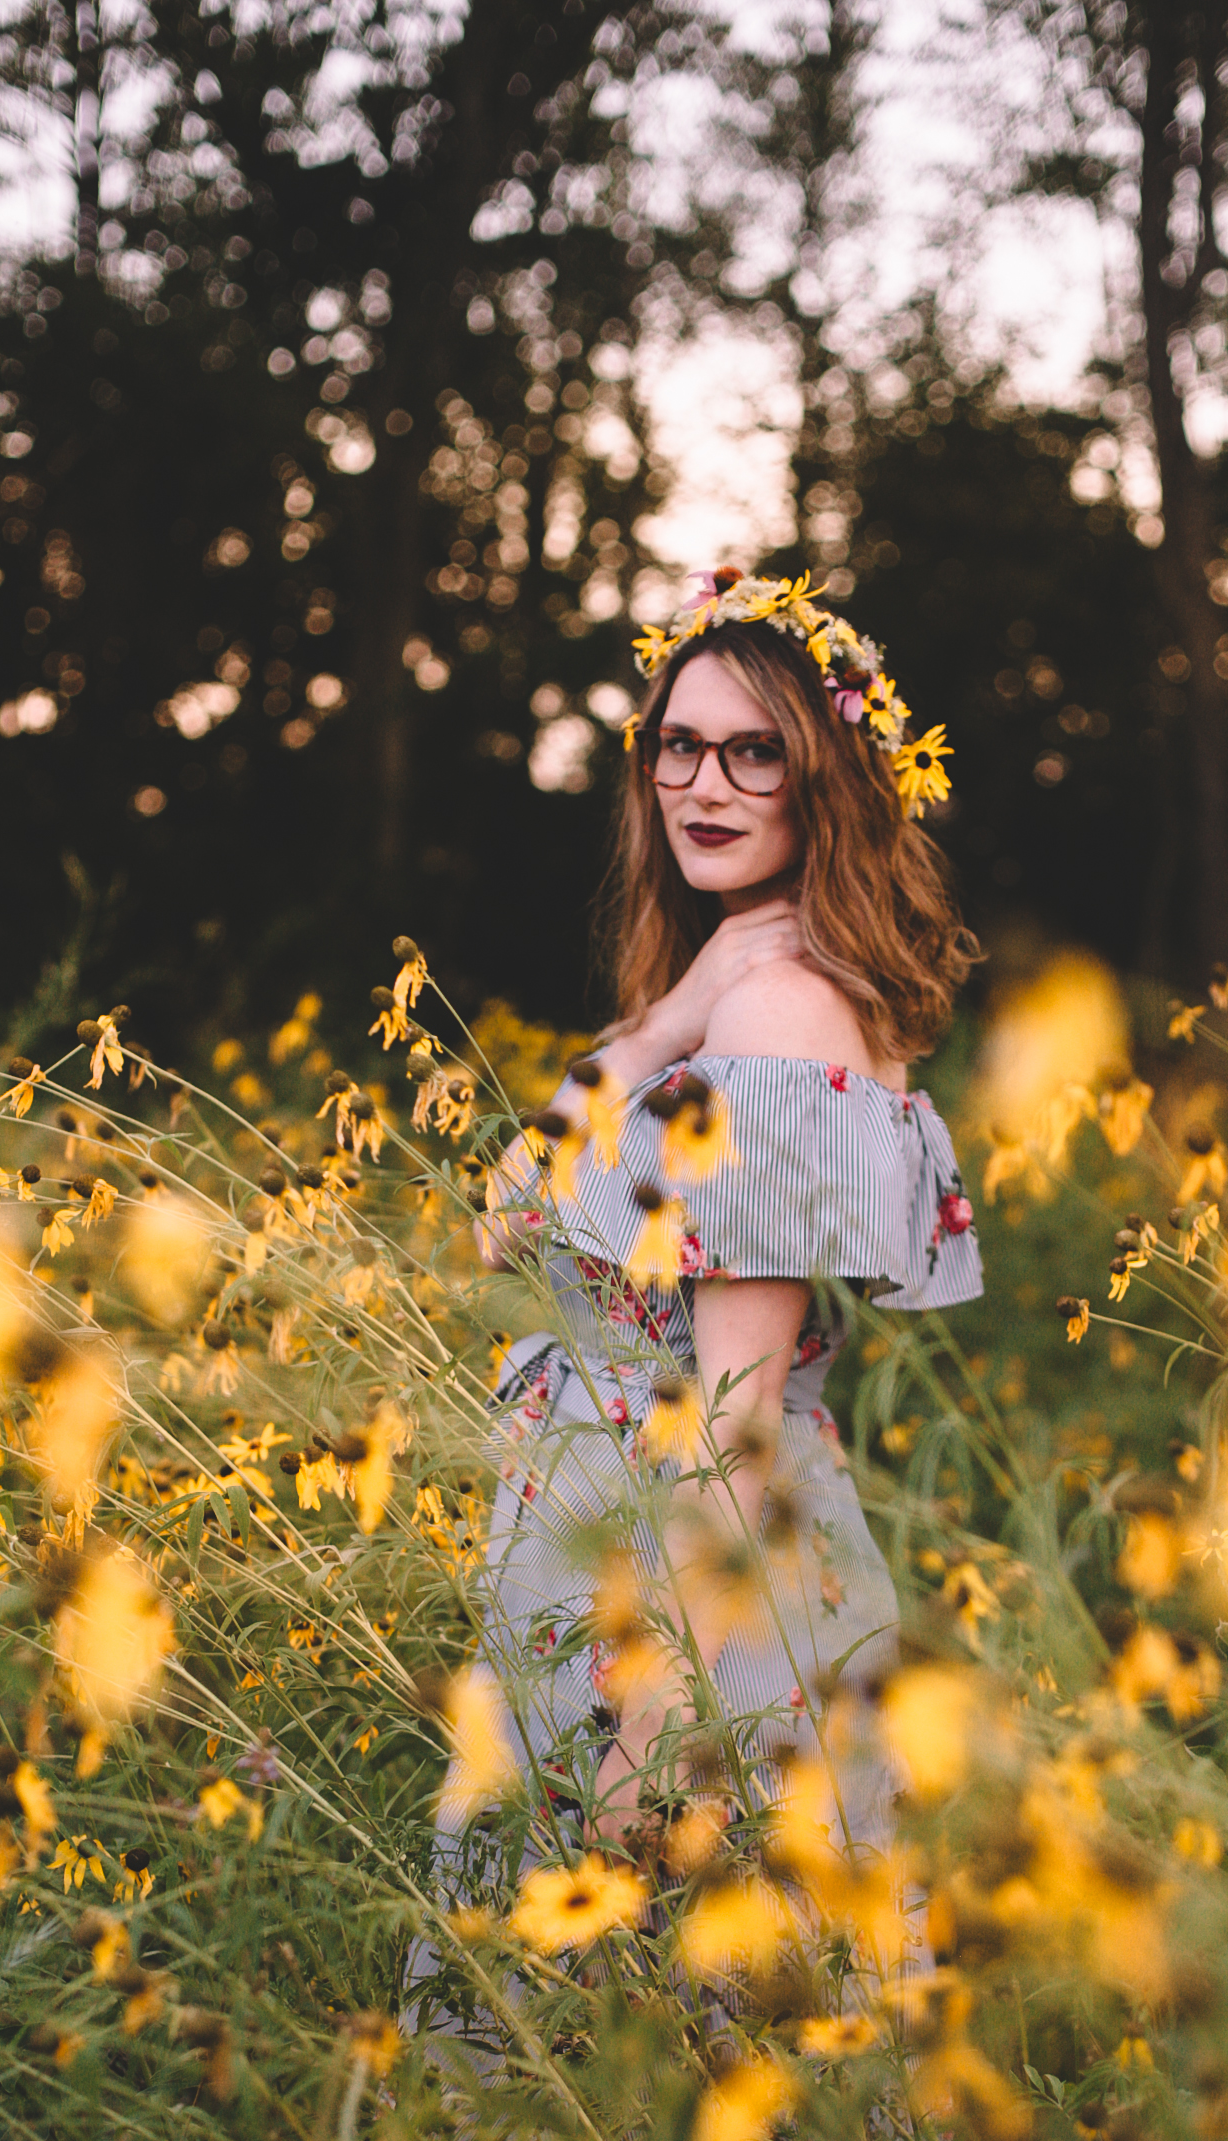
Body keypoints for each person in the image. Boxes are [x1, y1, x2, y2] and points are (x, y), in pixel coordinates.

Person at [463, 568, 982, 1873]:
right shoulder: (737, 981)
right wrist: (668, 1015)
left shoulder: (781, 1012)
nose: (704, 786)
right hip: (634, 1557)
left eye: (756, 753)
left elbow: (738, 1414)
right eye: (681, 747)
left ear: (830, 779)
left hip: (688, 1584)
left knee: (637, 2027)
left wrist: (658, 1725)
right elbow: (511, 1204)